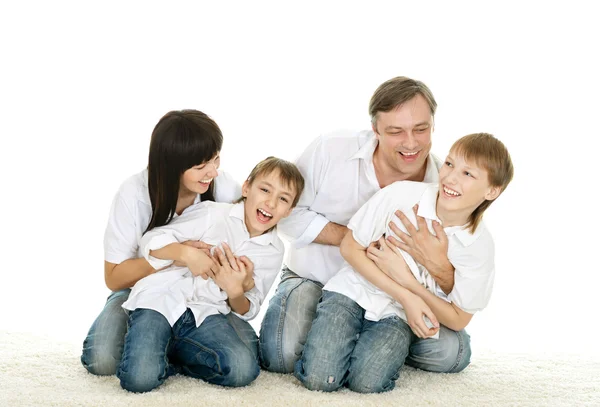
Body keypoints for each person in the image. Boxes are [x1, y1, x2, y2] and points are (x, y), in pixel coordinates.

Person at [259, 76, 462, 373]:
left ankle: (369, 343)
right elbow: (287, 215)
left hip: (395, 296)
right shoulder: (330, 149)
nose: (411, 143)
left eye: (421, 129)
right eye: (396, 131)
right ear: (375, 129)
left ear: (433, 124)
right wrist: (358, 240)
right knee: (282, 355)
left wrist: (433, 268)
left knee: (450, 354)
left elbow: (458, 276)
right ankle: (356, 344)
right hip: (316, 278)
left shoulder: (446, 184)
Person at [295, 133, 514, 393]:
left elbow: (457, 319)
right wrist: (406, 294)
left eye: (468, 174)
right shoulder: (402, 196)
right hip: (353, 290)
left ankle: (374, 350)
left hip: (398, 314)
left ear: (492, 190)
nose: (451, 178)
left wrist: (410, 287)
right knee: (320, 379)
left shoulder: (478, 246)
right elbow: (350, 247)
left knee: (366, 382)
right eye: (450, 164)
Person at [116, 157, 305, 392]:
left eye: (283, 199)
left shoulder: (275, 250)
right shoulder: (213, 214)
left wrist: (235, 289)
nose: (271, 202)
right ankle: (153, 349)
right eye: (265, 189)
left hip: (206, 314)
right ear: (246, 188)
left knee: (242, 369)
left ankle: (172, 354)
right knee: (139, 380)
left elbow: (249, 308)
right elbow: (151, 241)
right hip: (161, 301)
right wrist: (186, 254)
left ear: (289, 210)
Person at [81, 109, 242, 376]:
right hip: (138, 292)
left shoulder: (221, 186)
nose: (212, 171)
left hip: (197, 296)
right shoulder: (133, 194)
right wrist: (178, 255)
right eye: (200, 166)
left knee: (241, 363)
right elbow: (114, 277)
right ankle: (159, 343)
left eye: (215, 159)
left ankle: (164, 344)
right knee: (102, 360)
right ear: (171, 166)